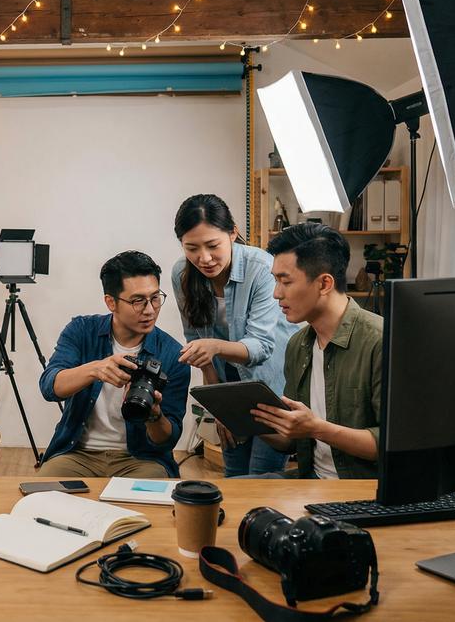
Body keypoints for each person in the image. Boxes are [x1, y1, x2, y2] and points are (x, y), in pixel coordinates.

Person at [171, 194, 299, 477]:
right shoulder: (182, 273)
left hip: (272, 384)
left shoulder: (261, 268)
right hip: (228, 387)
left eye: (213, 245)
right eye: (192, 248)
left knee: (260, 478)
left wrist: (214, 347)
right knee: (234, 477)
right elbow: (196, 343)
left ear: (233, 233)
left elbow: (260, 347)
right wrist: (218, 406)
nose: (203, 258)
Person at [37, 251, 191, 478]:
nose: (149, 310)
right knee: (40, 498)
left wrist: (154, 415)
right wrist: (96, 369)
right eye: (138, 300)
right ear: (111, 302)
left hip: (141, 459)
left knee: (151, 503)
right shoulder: (81, 331)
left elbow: (168, 439)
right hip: (77, 454)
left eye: (155, 298)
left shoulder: (172, 354)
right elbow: (50, 387)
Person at [251, 223, 383, 479]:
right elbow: (290, 442)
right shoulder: (297, 344)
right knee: (213, 496)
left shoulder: (379, 342)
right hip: (309, 481)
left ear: (324, 283)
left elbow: (390, 444)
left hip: (361, 492)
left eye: (285, 281)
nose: (276, 294)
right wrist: (247, 421)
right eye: (274, 280)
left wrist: (316, 428)